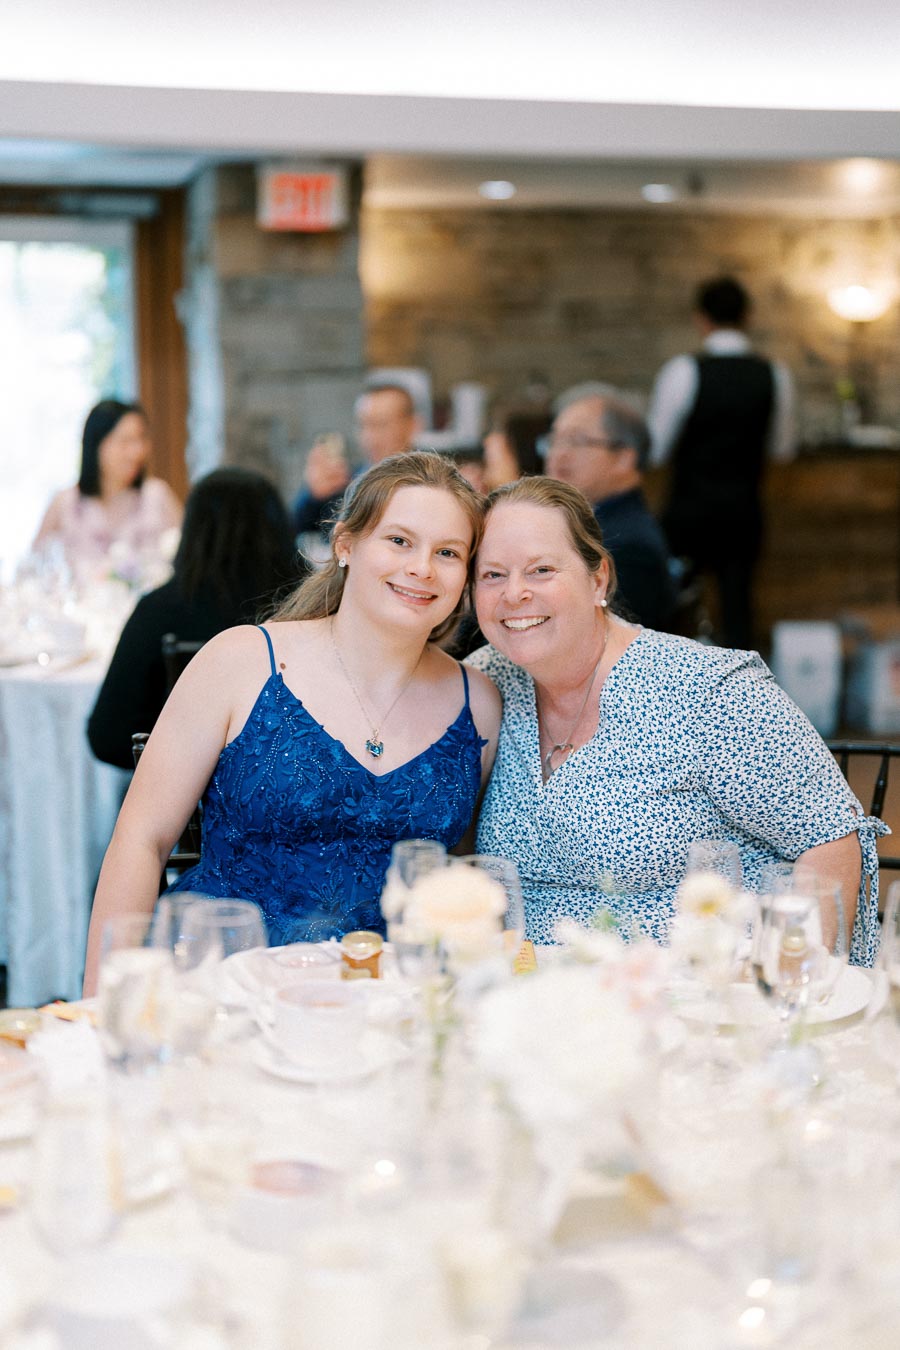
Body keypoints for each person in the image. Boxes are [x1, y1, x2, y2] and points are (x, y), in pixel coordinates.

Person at [83, 452, 501, 993]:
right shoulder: (239, 661)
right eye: (399, 541)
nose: (421, 567)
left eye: (447, 552)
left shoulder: (478, 704)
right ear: (346, 545)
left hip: (385, 998)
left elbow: (454, 879)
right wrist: (103, 1003)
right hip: (220, 983)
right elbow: (142, 838)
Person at [465, 476, 882, 967]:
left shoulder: (707, 691)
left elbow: (830, 841)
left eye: (541, 570)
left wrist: (790, 990)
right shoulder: (484, 683)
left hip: (705, 991)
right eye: (492, 575)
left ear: (598, 579)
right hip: (535, 994)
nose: (515, 593)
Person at [87, 467, 306, 770]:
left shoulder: (160, 610)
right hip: (300, 792)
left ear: (193, 531)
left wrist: (188, 765)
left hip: (188, 811)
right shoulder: (310, 608)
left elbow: (108, 737)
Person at [647, 276, 797, 650]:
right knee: (737, 614)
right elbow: (783, 450)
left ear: (701, 319)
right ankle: (743, 699)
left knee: (674, 611)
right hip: (743, 511)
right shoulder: (775, 375)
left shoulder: (683, 371)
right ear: (747, 316)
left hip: (688, 511)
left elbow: (656, 450)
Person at [544, 391, 676, 630]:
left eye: (576, 440)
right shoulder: (596, 523)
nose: (558, 454)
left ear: (624, 458)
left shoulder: (626, 546)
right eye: (554, 441)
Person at [32, 399, 183, 583]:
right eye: (125, 441)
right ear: (97, 444)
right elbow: (32, 568)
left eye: (141, 439)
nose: (137, 451)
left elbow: (189, 557)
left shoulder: (157, 496)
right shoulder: (66, 502)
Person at [292, 382, 422, 537]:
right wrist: (312, 497)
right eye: (363, 425)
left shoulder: (434, 485)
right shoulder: (344, 486)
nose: (370, 437)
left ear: (412, 426)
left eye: (381, 425)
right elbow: (295, 532)